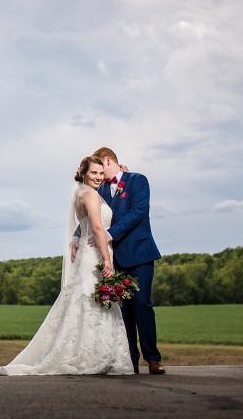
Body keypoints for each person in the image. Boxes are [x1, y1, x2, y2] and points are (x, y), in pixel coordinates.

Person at [0, 156, 134, 376]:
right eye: (93, 173)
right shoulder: (91, 195)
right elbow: (97, 229)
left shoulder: (80, 193)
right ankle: (92, 356)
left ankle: (88, 352)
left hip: (86, 255)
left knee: (84, 303)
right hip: (95, 255)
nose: (97, 177)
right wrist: (107, 261)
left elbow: (85, 224)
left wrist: (77, 239)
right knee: (91, 302)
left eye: (100, 173)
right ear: (84, 173)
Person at [88, 147, 165, 375]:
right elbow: (88, 216)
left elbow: (139, 211)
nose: (100, 176)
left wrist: (110, 233)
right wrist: (76, 237)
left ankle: (152, 358)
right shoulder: (99, 189)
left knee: (142, 304)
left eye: (101, 169)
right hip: (114, 258)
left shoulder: (137, 180)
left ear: (109, 161)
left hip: (140, 254)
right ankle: (130, 360)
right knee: (123, 311)